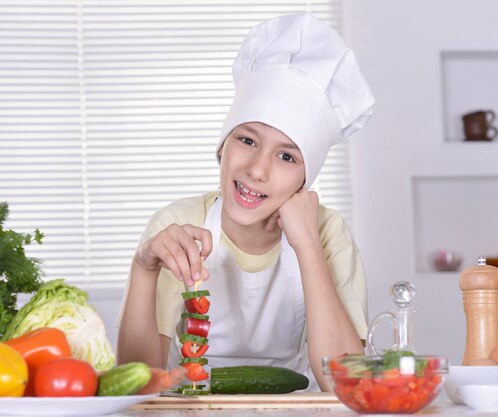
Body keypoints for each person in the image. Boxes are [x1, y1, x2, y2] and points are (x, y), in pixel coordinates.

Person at [116, 13, 375, 391]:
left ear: (306, 179)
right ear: (222, 147)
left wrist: (307, 244)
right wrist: (144, 269)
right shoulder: (179, 223)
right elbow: (138, 385)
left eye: (287, 157)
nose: (257, 170)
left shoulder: (327, 230)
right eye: (247, 140)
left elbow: (348, 384)